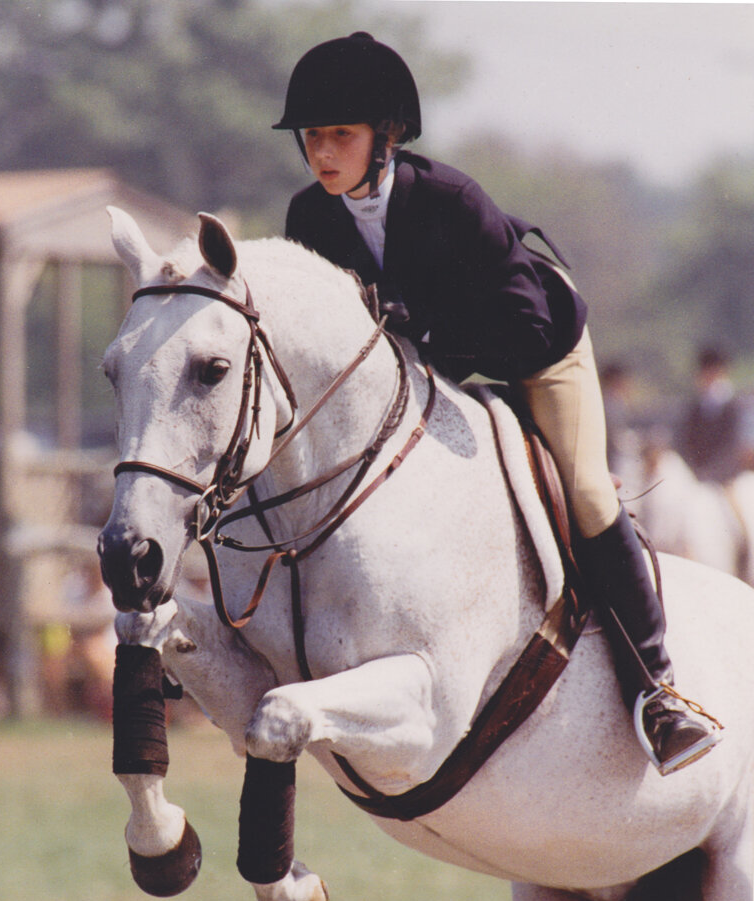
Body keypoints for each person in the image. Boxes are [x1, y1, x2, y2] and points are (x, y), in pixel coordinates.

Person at [272, 31, 720, 774]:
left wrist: (420, 328)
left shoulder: (450, 199)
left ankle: (658, 689)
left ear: (386, 137)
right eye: (313, 137)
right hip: (434, 368)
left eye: (339, 136)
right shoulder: (309, 220)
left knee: (582, 492)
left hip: (539, 349)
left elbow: (526, 325)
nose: (322, 152)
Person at [677, 346, 745, 483]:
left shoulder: (732, 405)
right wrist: (694, 470)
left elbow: (732, 445)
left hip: (726, 475)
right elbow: (685, 440)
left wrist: (713, 473)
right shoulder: (696, 407)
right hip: (697, 473)